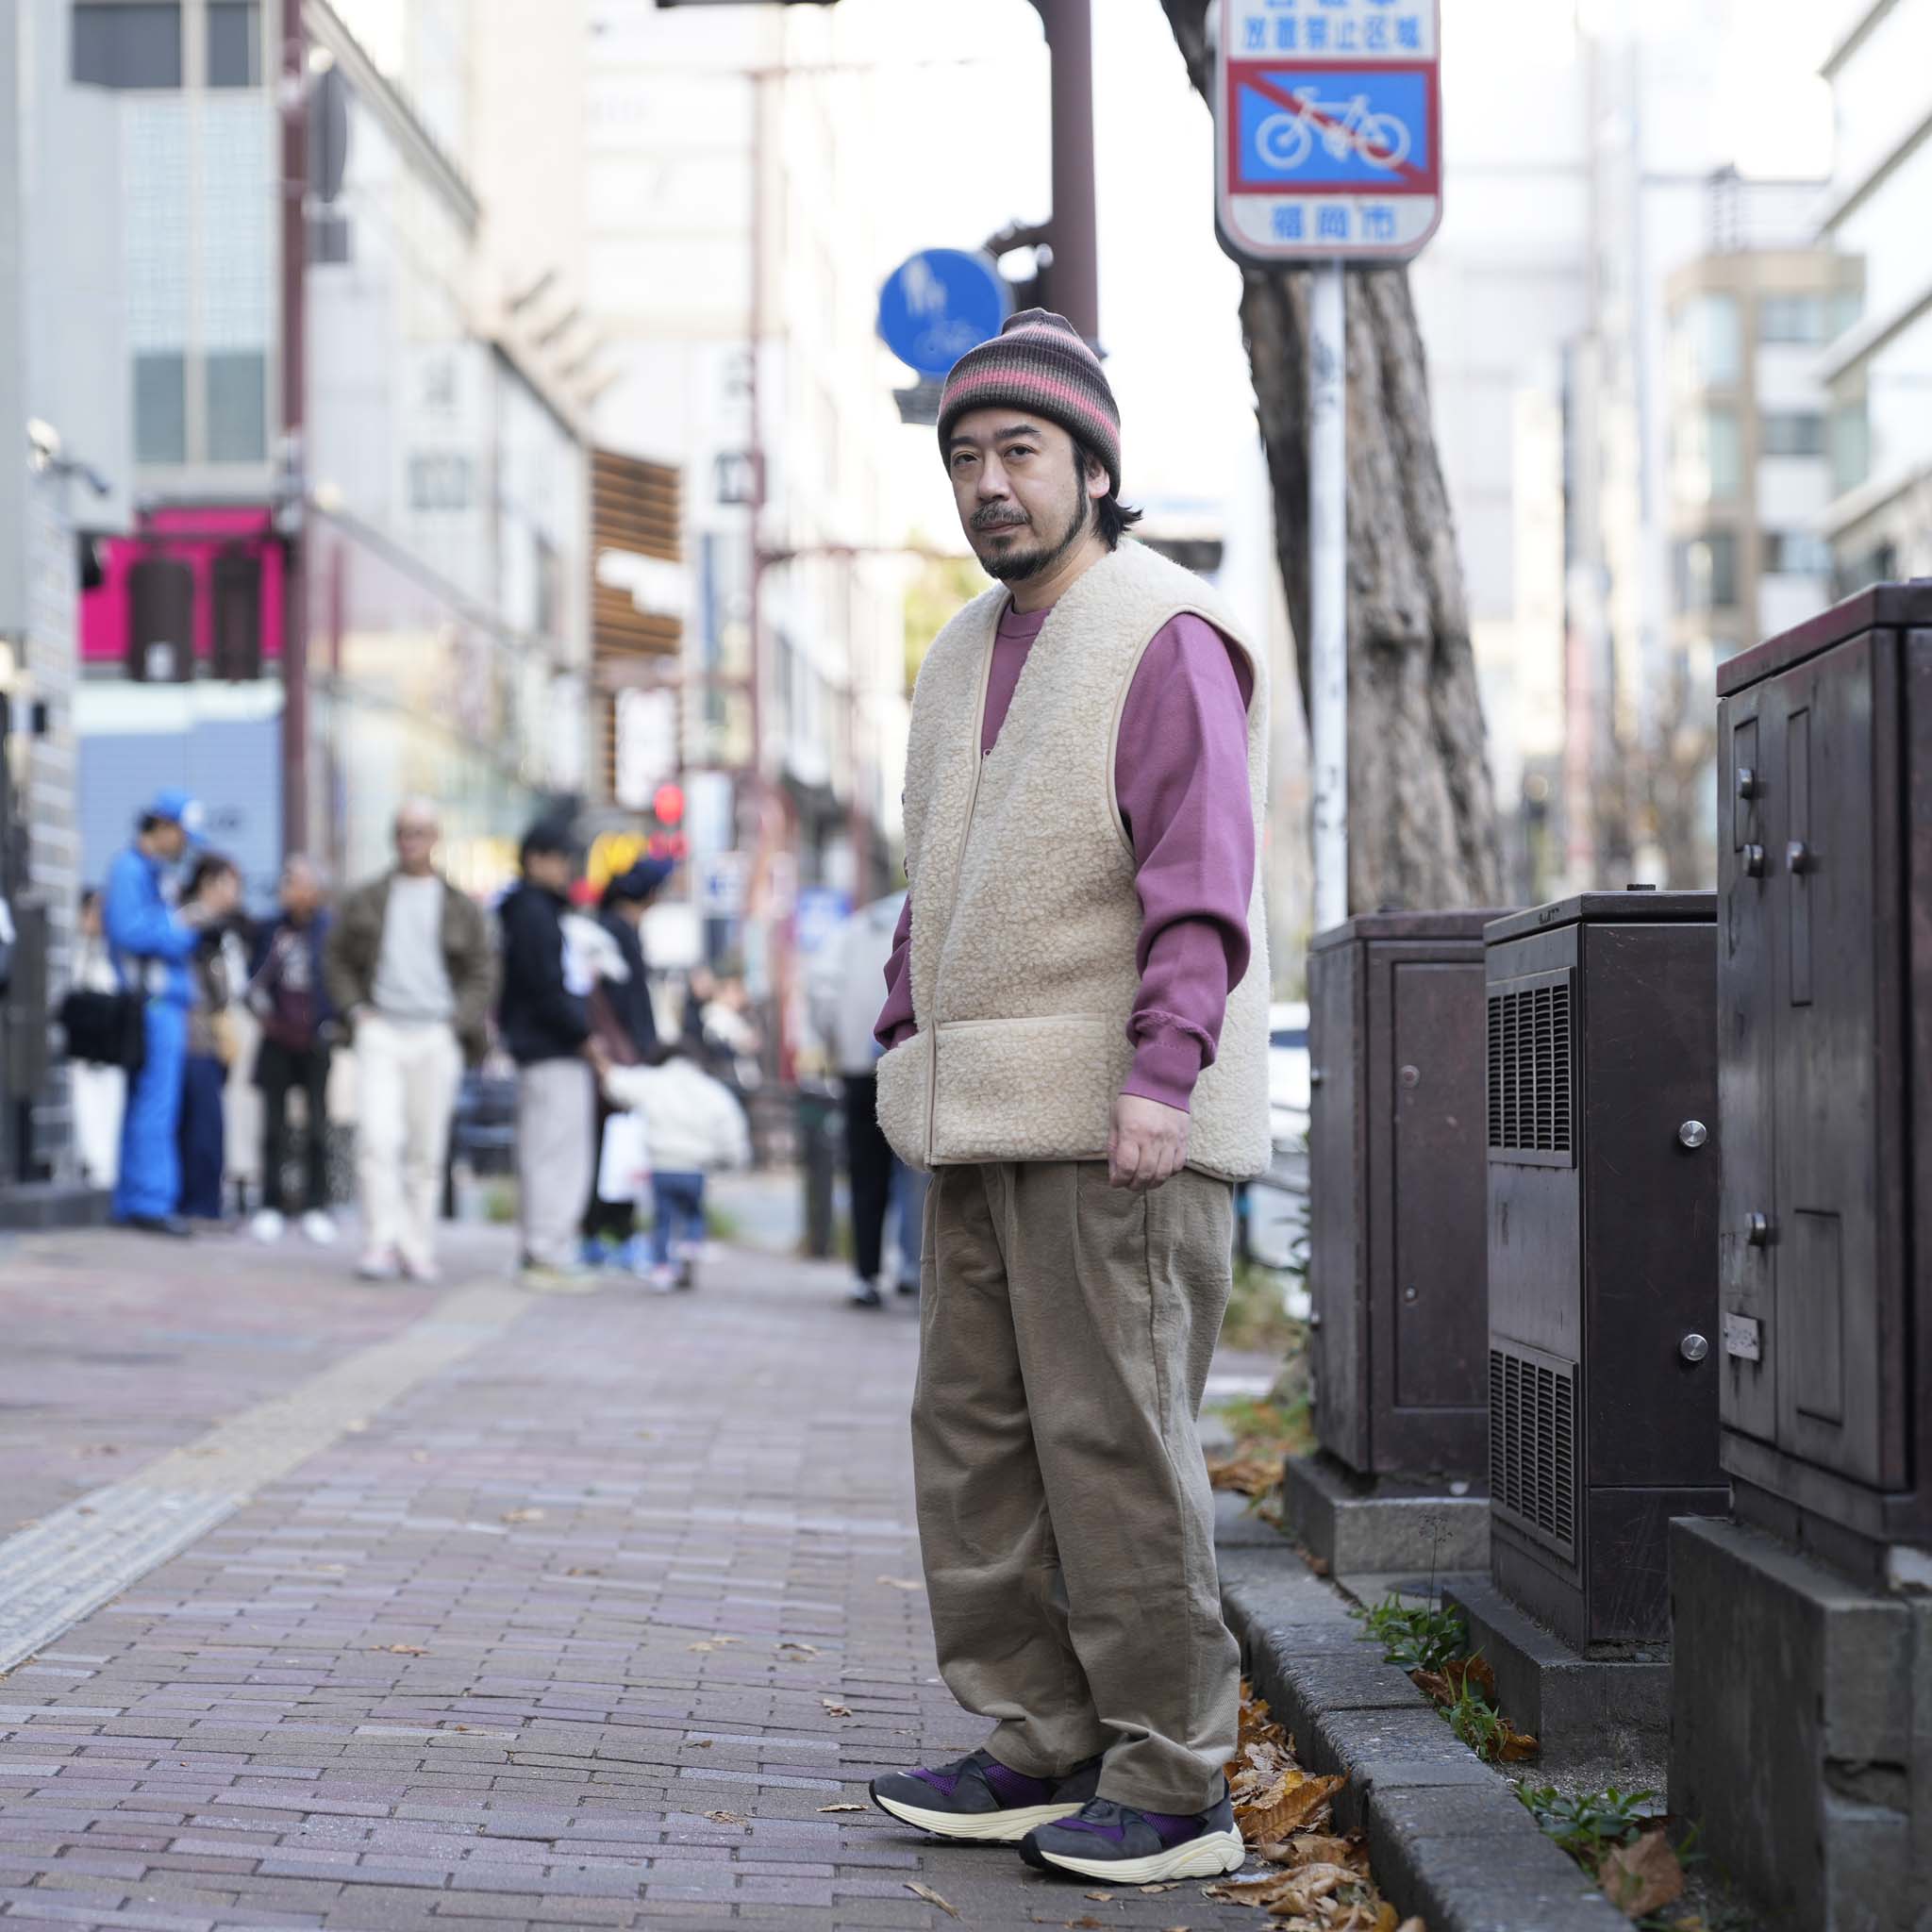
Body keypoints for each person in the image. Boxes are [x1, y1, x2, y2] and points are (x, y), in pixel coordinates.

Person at [864, 312, 1271, 1886]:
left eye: (1018, 451)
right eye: (965, 456)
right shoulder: (961, 649)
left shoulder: (1161, 630)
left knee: (1114, 1444)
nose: (988, 484)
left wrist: (1160, 1075)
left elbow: (1200, 885)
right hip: (971, 1106)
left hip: (1117, 1115)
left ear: (1095, 467)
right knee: (973, 1437)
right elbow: (938, 871)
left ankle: (1171, 1777)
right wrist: (906, 1018)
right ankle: (1033, 1736)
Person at [324, 801, 496, 1284]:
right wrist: (357, 1011)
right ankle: (380, 1241)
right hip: (381, 1031)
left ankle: (417, 1245)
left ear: (435, 837)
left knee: (427, 1146)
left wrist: (455, 1022)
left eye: (420, 832)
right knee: (377, 1140)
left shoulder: (460, 905)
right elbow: (334, 958)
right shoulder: (368, 898)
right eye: (402, 832)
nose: (410, 841)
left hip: (435, 1035)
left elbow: (483, 972)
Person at [102, 789, 221, 1236]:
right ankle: (149, 1201)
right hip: (152, 1003)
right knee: (155, 1103)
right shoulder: (131, 870)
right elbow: (132, 932)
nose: (185, 846)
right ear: (163, 828)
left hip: (161, 1002)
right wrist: (183, 924)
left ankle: (136, 1198)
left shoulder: (155, 873)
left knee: (147, 1102)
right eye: (182, 836)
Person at [497, 818, 605, 1291]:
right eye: (561, 858)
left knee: (548, 1151)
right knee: (554, 1154)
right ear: (536, 858)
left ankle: (546, 1248)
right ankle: (547, 1251)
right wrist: (584, 1037)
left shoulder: (529, 910)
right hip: (550, 1049)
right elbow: (547, 988)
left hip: (542, 1049)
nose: (567, 869)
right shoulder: (532, 913)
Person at [808, 890, 924, 1308]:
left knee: (864, 1173)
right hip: (917, 1064)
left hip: (860, 1068)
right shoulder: (931, 912)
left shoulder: (853, 929)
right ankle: (915, 1268)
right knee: (920, 1171)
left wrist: (836, 1044)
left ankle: (866, 1274)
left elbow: (821, 991)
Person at [580, 858, 673, 1272]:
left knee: (609, 1149)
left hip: (612, 1058)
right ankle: (609, 1235)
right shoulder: (619, 933)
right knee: (618, 1150)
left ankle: (601, 1235)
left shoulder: (605, 927)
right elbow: (630, 1004)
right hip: (622, 1059)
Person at [601, 1040, 749, 1291]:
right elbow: (731, 1128)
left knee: (662, 1220)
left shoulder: (653, 1081)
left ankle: (661, 1269)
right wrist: (731, 1161)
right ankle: (691, 1244)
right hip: (694, 1167)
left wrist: (600, 1061)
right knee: (693, 1213)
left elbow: (619, 1084)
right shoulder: (710, 1089)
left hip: (661, 1165)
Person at [248, 855, 337, 1245]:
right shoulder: (269, 929)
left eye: (298, 882)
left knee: (318, 1126)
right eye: (287, 882)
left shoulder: (330, 930)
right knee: (273, 1126)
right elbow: (251, 979)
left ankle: (317, 1205)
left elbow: (337, 980)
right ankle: (271, 1204)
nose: (291, 890)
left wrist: (333, 1022)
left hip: (316, 1038)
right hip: (275, 1038)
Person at [175, 852, 245, 1224]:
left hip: (207, 1036)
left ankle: (203, 1204)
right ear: (210, 882)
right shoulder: (194, 923)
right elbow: (217, 989)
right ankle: (199, 1207)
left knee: (206, 1124)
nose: (237, 892)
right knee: (203, 1126)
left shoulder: (218, 925)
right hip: (196, 1035)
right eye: (231, 883)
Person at [66, 889, 126, 1191]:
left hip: (110, 1050)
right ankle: (91, 1171)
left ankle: (107, 1177)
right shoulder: (73, 953)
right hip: (83, 1051)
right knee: (84, 1110)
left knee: (110, 1112)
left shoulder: (115, 955)